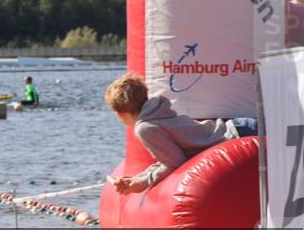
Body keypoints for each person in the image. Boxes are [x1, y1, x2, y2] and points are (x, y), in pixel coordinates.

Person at [103, 73, 257, 194]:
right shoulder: (155, 112)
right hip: (241, 128)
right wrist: (136, 179)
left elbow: (175, 162)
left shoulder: (145, 128)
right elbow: (170, 158)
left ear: (121, 113)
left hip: (239, 136)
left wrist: (143, 183)